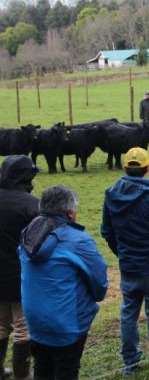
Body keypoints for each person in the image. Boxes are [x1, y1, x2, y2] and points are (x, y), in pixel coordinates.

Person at [101, 147, 149, 376]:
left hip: (129, 266)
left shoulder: (110, 194)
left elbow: (107, 231)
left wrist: (122, 253)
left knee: (128, 312)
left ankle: (130, 361)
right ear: (147, 168)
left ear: (125, 167)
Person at [19, 186, 108, 380]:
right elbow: (100, 283)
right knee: (67, 370)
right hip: (67, 322)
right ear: (70, 213)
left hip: (34, 319)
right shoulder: (79, 241)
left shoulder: (28, 234)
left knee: (42, 367)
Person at [0, 156, 39, 380]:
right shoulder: (31, 205)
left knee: (1, 323)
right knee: (23, 327)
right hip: (21, 277)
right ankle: (22, 375)